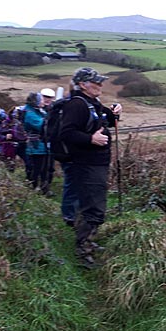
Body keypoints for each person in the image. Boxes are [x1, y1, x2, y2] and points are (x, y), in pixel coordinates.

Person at [60, 67, 122, 267]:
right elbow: (66, 133)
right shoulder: (77, 105)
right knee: (94, 208)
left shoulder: (91, 103)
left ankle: (86, 240)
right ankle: (83, 252)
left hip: (95, 163)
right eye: (96, 82)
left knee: (88, 204)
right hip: (87, 164)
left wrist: (114, 113)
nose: (100, 86)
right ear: (82, 85)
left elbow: (107, 121)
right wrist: (90, 139)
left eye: (100, 82)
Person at [23, 92, 50, 194]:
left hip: (40, 145)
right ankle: (34, 187)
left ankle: (42, 187)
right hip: (36, 146)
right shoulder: (30, 114)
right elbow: (42, 125)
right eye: (41, 99)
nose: (43, 101)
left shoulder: (34, 110)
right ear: (36, 101)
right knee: (37, 167)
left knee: (43, 167)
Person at [0, 106, 28, 172]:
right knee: (10, 166)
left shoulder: (24, 123)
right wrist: (5, 137)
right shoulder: (6, 123)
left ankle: (30, 179)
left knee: (29, 163)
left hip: (23, 146)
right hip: (9, 147)